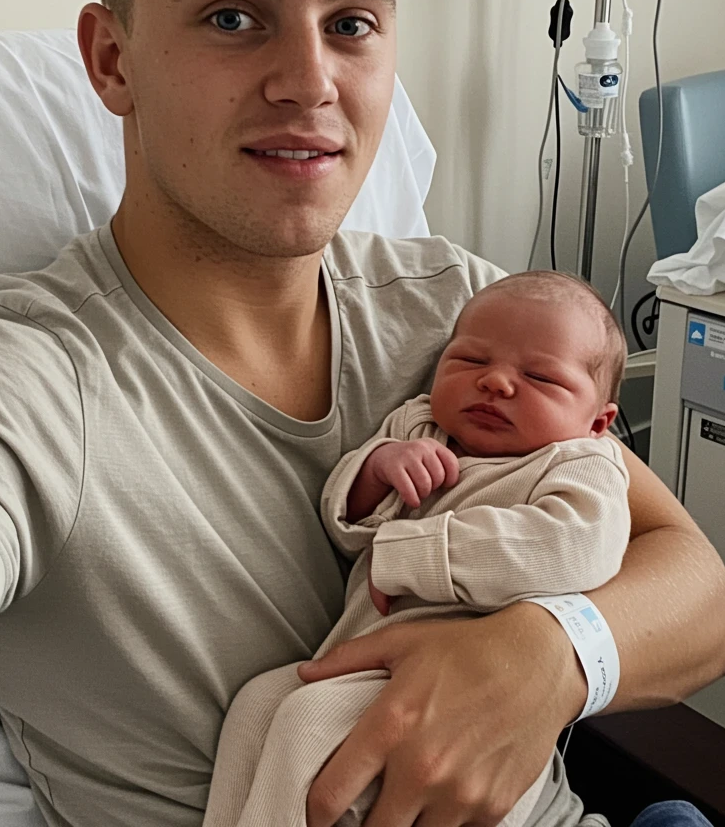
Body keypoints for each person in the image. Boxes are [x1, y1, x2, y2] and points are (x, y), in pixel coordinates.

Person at [0, 0, 725, 826]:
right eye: (234, 17)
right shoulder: (6, 394)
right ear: (112, 61)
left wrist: (550, 653)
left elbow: (708, 606)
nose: (308, 82)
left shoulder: (465, 314)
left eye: (352, 22)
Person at [203, 271, 633, 827]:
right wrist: (376, 471)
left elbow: (576, 546)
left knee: (305, 721)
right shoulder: (419, 423)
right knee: (257, 704)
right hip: (361, 659)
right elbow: (349, 529)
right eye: (470, 361)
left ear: (597, 420)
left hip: (471, 687)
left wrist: (416, 554)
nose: (496, 382)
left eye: (540, 377)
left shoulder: (578, 463)